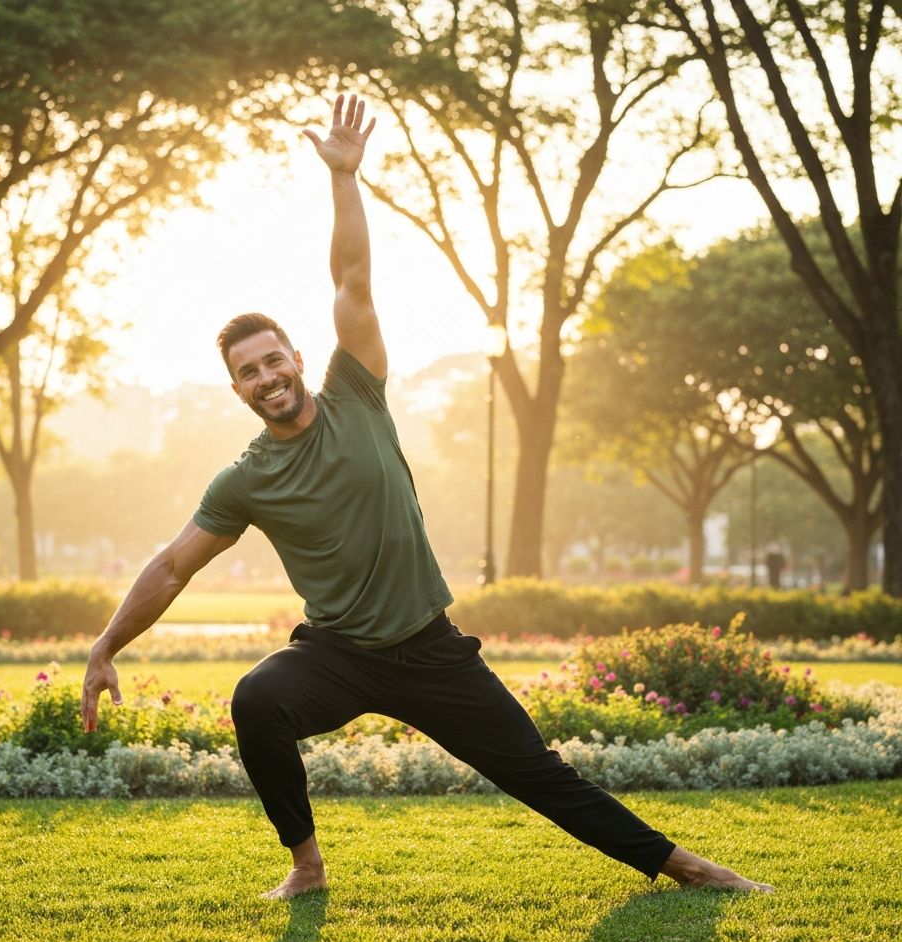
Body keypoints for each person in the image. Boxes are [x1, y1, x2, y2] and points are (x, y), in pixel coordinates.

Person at [81, 94, 774, 900]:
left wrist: (344, 179)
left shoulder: (355, 391)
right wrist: (106, 645)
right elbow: (173, 566)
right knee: (257, 699)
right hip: (337, 655)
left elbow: (352, 279)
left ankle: (688, 867)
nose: (266, 377)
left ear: (297, 357)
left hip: (429, 648)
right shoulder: (245, 479)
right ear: (235, 389)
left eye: (273, 360)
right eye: (248, 372)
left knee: (537, 772)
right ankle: (306, 867)